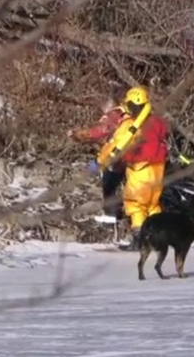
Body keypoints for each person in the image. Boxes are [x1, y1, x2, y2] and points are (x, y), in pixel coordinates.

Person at [89, 86, 169, 250]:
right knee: (153, 204)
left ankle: (139, 241)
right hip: (158, 168)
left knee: (135, 204)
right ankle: (158, 239)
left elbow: (114, 146)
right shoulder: (158, 122)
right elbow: (164, 134)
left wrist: (99, 162)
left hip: (140, 169)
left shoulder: (130, 125)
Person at [68, 87, 128, 223]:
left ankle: (111, 216)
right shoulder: (130, 115)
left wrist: (77, 134)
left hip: (115, 158)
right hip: (133, 157)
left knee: (109, 186)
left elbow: (98, 132)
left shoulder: (114, 115)